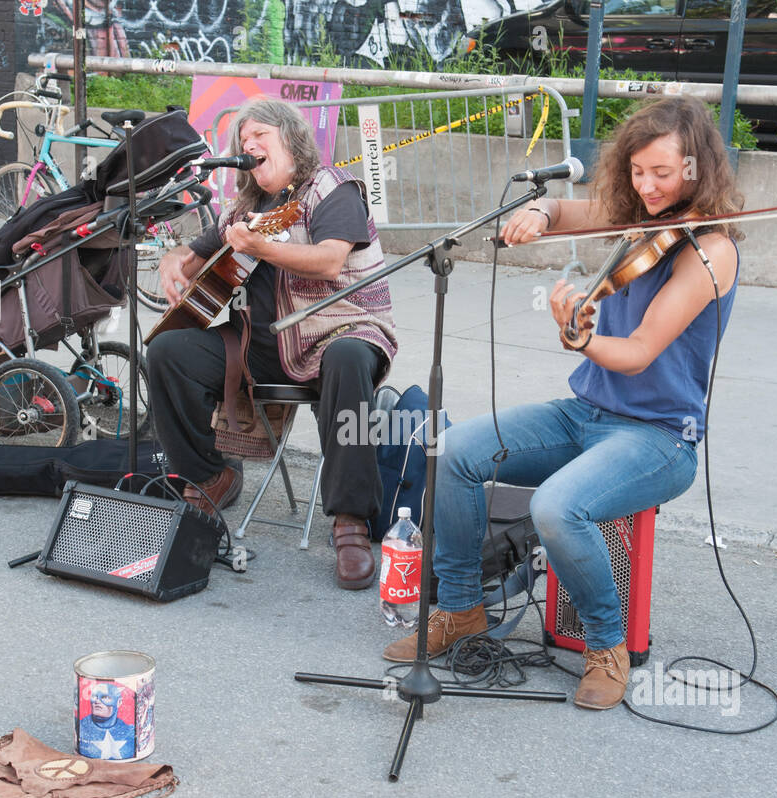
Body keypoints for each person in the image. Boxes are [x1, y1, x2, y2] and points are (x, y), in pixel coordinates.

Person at [382, 96, 742, 711]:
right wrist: (541, 214)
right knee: (457, 450)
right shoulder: (632, 216)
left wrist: (581, 337)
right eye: (637, 171)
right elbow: (564, 207)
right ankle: (463, 609)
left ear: (695, 169)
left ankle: (608, 645)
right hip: (586, 414)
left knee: (556, 507)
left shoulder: (713, 251)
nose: (648, 186)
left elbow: (636, 352)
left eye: (663, 173)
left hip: (658, 438)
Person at [147, 97, 397, 590]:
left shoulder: (331, 189)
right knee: (166, 352)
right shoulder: (247, 208)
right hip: (263, 347)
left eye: (260, 134)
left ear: (291, 139)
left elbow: (328, 261)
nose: (249, 145)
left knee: (347, 359)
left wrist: (261, 247)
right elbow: (193, 254)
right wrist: (171, 260)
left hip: (341, 331)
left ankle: (351, 521)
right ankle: (210, 475)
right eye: (242, 141)